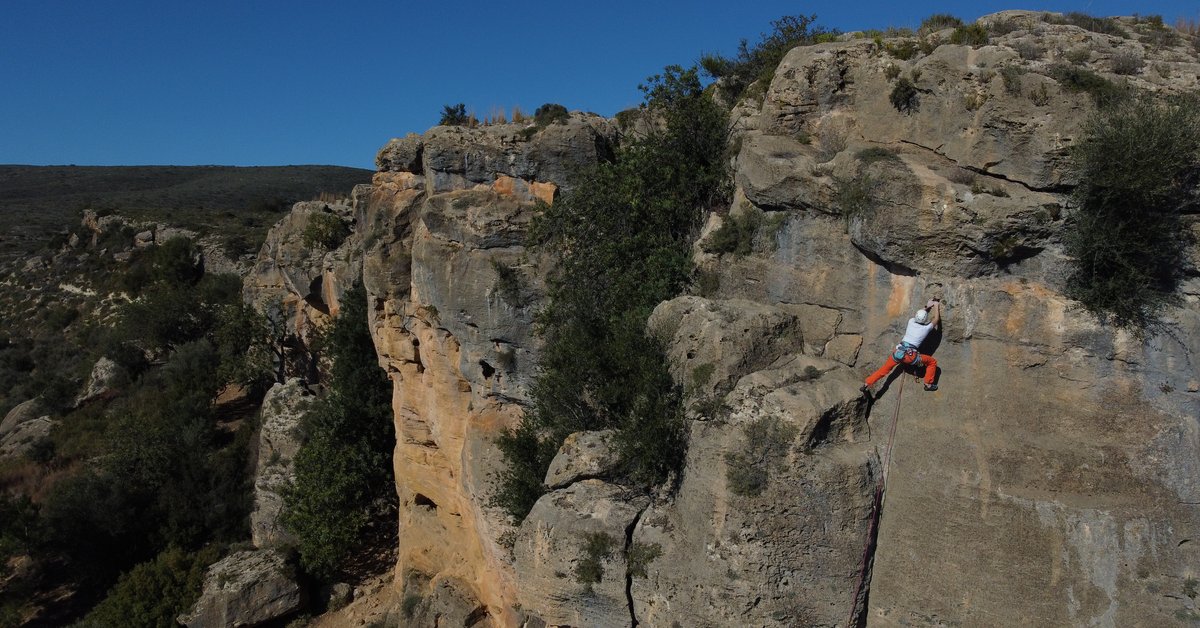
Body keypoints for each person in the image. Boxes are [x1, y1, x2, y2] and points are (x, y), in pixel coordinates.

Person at [862, 299, 941, 395]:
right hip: (910, 357)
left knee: (884, 369)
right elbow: (936, 320)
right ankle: (928, 384)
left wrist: (927, 306)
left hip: (898, 352)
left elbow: (918, 315)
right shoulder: (926, 328)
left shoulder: (911, 322)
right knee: (932, 362)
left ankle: (867, 383)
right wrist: (936, 305)